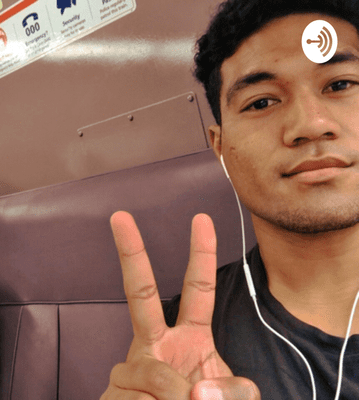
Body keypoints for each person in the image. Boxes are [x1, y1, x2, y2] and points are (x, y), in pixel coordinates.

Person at [101, 0, 359, 398]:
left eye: (340, 85)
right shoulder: (181, 343)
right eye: (262, 102)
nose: (311, 124)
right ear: (220, 147)